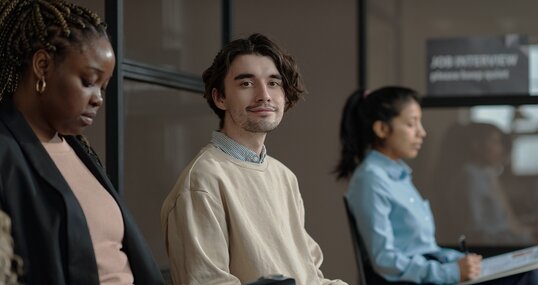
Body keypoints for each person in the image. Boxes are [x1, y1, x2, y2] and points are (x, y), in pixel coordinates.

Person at [161, 33, 347, 285]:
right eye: (246, 84)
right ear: (220, 98)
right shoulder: (202, 181)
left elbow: (311, 276)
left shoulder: (283, 176)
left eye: (273, 83)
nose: (264, 95)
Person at [0, 1, 164, 284]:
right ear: (42, 66)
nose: (99, 98)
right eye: (89, 80)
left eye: (103, 86)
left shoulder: (79, 149)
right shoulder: (6, 152)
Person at [334, 86, 537, 284]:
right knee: (528, 278)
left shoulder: (398, 176)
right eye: (411, 124)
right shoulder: (371, 179)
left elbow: (423, 249)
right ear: (382, 129)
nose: (421, 133)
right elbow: (385, 260)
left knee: (528, 270)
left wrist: (457, 260)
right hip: (423, 280)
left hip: (434, 273)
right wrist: (450, 272)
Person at [431, 122, 535, 246]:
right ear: (476, 146)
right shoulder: (471, 177)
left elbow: (503, 221)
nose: (500, 148)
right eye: (495, 142)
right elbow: (475, 232)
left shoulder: (487, 173)